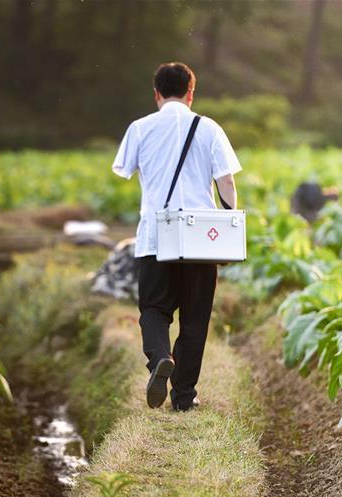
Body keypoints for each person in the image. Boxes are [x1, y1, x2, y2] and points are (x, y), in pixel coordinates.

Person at [112, 62, 240, 411]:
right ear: (191, 92)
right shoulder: (210, 128)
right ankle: (184, 397)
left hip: (156, 234)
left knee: (154, 309)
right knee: (195, 318)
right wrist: (228, 224)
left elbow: (124, 170)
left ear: (156, 94)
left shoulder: (139, 128)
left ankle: (158, 361)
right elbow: (226, 181)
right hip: (200, 236)